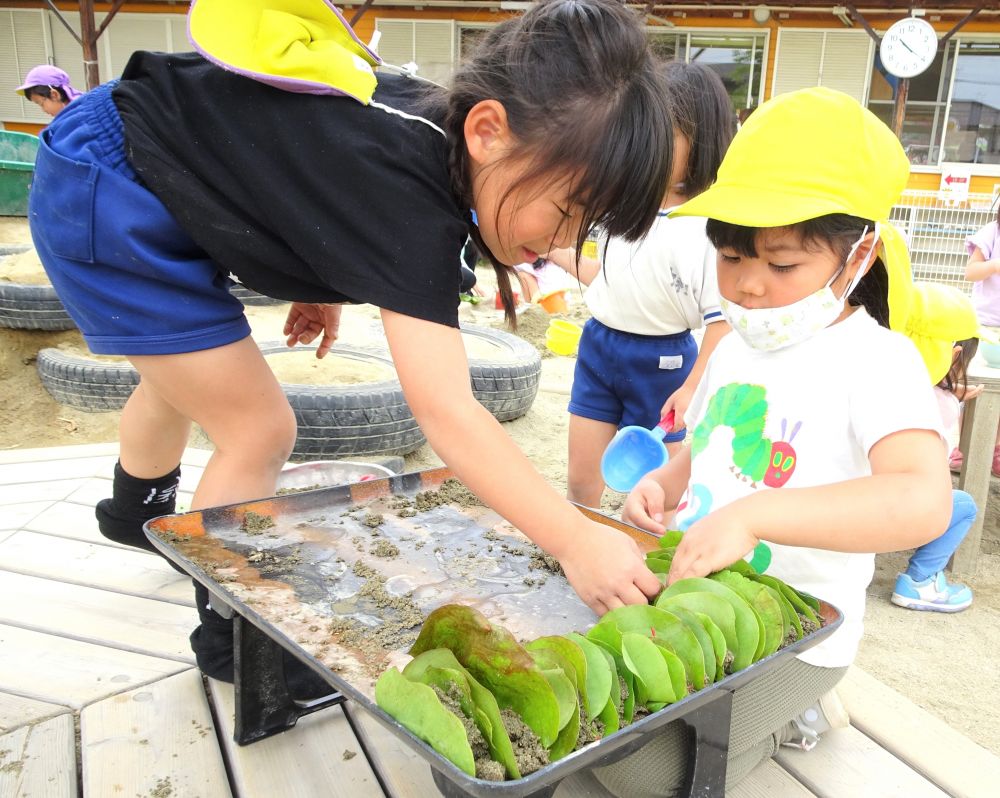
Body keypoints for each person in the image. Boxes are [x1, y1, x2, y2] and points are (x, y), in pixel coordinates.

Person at [27, 0, 669, 694]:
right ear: (489, 131)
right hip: (113, 187)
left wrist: (319, 272)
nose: (565, 241)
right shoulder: (413, 190)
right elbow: (448, 412)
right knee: (258, 428)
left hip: (147, 163)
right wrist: (574, 539)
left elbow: (301, 161)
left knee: (183, 374)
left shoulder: (434, 130)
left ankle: (135, 513)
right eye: (568, 210)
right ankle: (231, 641)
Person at [608, 87, 952, 795]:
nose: (751, 286)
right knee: (597, 714)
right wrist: (662, 486)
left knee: (637, 774)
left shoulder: (877, 361)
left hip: (796, 636)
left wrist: (754, 516)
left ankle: (791, 718)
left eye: (783, 264)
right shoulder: (731, 347)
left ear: (857, 255)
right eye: (732, 258)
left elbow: (922, 501)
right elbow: (704, 449)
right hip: (693, 599)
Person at [545, 61, 735, 508]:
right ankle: (580, 547)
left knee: (660, 496)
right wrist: (556, 254)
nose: (641, 147)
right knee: (580, 480)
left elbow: (721, 323)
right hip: (598, 346)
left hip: (663, 366)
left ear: (701, 139)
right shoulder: (622, 208)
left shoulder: (706, 226)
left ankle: (650, 565)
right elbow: (613, 285)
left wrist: (691, 388)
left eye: (660, 134)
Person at [892, 282, 979, 613]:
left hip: (846, 507)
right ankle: (919, 582)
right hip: (895, 514)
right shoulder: (940, 404)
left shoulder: (871, 384)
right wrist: (952, 404)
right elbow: (931, 477)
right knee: (963, 504)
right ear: (954, 355)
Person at [957, 199, 1000, 475]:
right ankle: (962, 449)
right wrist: (995, 264)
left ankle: (995, 451)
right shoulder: (993, 231)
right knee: (972, 387)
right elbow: (971, 272)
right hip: (986, 325)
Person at [15, 65, 83, 117]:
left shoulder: (78, 117)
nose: (43, 110)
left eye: (41, 104)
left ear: (54, 95)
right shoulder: (79, 108)